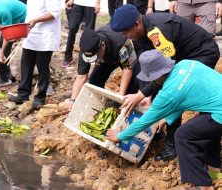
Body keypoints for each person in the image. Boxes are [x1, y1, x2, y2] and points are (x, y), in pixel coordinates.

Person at [110, 4, 220, 161]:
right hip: (181, 55)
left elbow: (166, 72)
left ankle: (175, 141)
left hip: (201, 53)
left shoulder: (158, 33)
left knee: (177, 92)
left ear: (136, 24)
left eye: (126, 32)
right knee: (161, 93)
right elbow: (146, 63)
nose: (125, 36)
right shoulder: (139, 33)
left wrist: (141, 94)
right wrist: (145, 93)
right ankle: (160, 127)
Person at [107, 49, 222, 190]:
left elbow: (144, 121)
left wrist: (120, 136)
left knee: (183, 136)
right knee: (205, 126)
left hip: (220, 112)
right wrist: (168, 117)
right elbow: (183, 99)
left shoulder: (167, 95)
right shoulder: (186, 64)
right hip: (217, 106)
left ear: (156, 76)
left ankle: (203, 184)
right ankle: (215, 171)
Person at [68, 25, 145, 110]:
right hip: (106, 58)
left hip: (129, 54)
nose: (95, 59)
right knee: (94, 80)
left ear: (103, 45)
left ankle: (126, 110)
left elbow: (128, 68)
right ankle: (96, 107)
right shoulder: (87, 48)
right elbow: (81, 77)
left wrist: (120, 95)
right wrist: (73, 100)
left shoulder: (121, 42)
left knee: (133, 83)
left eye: (96, 56)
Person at [8, 0, 61, 109]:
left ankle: (40, 98)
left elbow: (54, 13)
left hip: (45, 36)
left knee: (42, 68)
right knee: (26, 65)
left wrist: (36, 20)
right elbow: (32, 12)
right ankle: (23, 94)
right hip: (31, 35)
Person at [61, 0, 101, 68]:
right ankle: (68, 57)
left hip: (91, 4)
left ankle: (88, 57)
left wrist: (97, 3)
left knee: (89, 33)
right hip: (78, 3)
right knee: (72, 28)